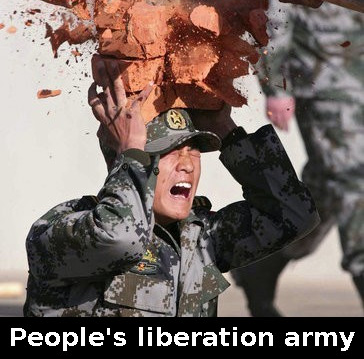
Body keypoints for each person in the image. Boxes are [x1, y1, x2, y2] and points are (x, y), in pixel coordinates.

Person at [23, 56, 318, 317]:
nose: (188, 164)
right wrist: (129, 151)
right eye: (170, 151)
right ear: (129, 156)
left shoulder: (201, 239)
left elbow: (293, 215)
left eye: (194, 150)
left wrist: (228, 132)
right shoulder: (58, 229)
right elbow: (120, 239)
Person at [231, 0, 364, 317]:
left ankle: (266, 262)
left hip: (360, 65)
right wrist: (275, 81)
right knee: (353, 180)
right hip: (323, 78)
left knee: (329, 183)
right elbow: (273, 1)